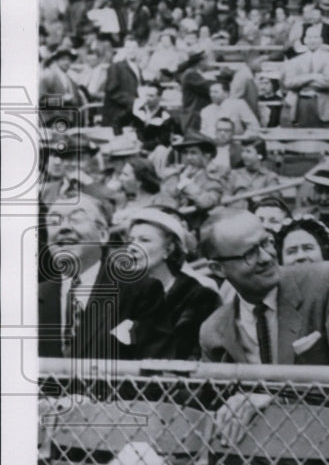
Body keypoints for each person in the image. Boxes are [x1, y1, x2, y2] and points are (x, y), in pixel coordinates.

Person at [198, 209, 329, 366]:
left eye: (266, 243)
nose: (266, 258)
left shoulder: (328, 282)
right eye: (250, 253)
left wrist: (274, 401)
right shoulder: (214, 331)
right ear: (218, 269)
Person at [38, 194, 170, 361]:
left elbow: (153, 370)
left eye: (76, 219)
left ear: (103, 235)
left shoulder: (141, 292)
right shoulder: (32, 297)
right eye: (54, 221)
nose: (63, 228)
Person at [127, 208, 220, 360]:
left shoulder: (199, 298)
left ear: (169, 249)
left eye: (144, 240)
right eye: (131, 240)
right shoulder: (122, 293)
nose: (132, 247)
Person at [162, 133, 226, 213]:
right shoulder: (176, 175)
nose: (188, 157)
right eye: (185, 153)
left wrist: (186, 184)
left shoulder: (214, 178)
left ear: (206, 156)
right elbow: (164, 198)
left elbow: (207, 202)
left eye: (193, 153)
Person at [102, 38, 144, 133]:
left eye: (134, 47)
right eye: (128, 47)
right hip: (117, 114)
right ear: (124, 50)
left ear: (138, 50)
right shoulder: (116, 67)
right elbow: (112, 90)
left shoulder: (138, 68)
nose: (131, 50)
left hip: (132, 113)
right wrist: (133, 101)